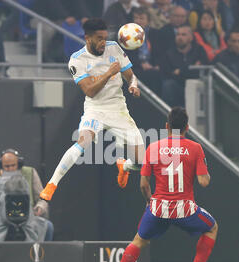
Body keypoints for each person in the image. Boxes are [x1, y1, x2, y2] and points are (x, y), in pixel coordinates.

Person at [108, 107, 217, 262]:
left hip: (158, 208)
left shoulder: (153, 148)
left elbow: (143, 184)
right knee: (212, 228)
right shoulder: (195, 148)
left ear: (167, 127)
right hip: (185, 209)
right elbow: (204, 182)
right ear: (187, 128)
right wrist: (203, 167)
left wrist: (150, 201)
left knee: (138, 241)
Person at [40, 18, 144, 201]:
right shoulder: (77, 60)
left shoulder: (114, 48)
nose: (103, 42)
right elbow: (90, 91)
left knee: (142, 162)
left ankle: (124, 166)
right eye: (99, 38)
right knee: (83, 141)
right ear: (87, 38)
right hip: (95, 108)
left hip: (118, 109)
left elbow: (131, 76)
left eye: (105, 37)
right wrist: (109, 73)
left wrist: (133, 85)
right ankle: (52, 184)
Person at [0, 149, 54, 243]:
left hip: (27, 219)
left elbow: (42, 198)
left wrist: (39, 207)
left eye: (13, 165)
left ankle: (41, 256)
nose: (10, 168)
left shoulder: (30, 173)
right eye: (7, 166)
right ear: (1, 166)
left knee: (47, 226)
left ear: (19, 164)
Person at [160, 24, 209, 107]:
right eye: (178, 34)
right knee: (168, 85)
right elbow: (168, 74)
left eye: (183, 35)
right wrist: (190, 68)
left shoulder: (199, 50)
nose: (180, 37)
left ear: (191, 38)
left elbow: (202, 71)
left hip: (195, 87)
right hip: (178, 87)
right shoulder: (169, 53)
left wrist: (180, 71)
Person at [127, 7, 162, 95]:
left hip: (153, 66)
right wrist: (141, 64)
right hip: (135, 67)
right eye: (136, 18)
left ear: (148, 21)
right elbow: (126, 55)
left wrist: (157, 65)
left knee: (157, 74)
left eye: (141, 18)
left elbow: (160, 53)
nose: (138, 21)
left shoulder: (155, 34)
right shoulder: (126, 34)